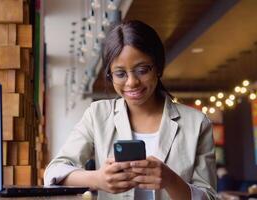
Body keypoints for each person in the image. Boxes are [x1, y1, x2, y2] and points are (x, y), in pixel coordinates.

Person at [44, 20, 217, 200]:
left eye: (142, 70)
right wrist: (97, 179)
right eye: (120, 73)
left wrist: (171, 180)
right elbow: (54, 172)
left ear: (158, 67)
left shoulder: (197, 123)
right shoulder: (98, 115)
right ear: (110, 76)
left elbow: (210, 197)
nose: (132, 82)